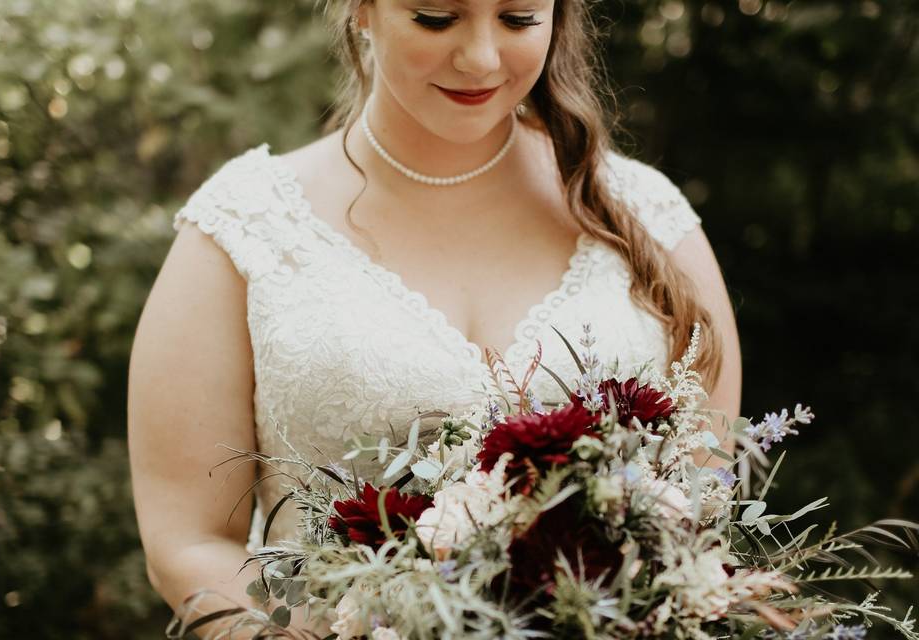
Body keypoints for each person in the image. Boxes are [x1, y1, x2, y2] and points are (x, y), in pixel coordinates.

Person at [127, 0, 741, 637]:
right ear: (361, 11)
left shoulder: (650, 220)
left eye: (519, 19)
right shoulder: (243, 227)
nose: (480, 58)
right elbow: (188, 544)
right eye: (435, 17)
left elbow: (704, 519)